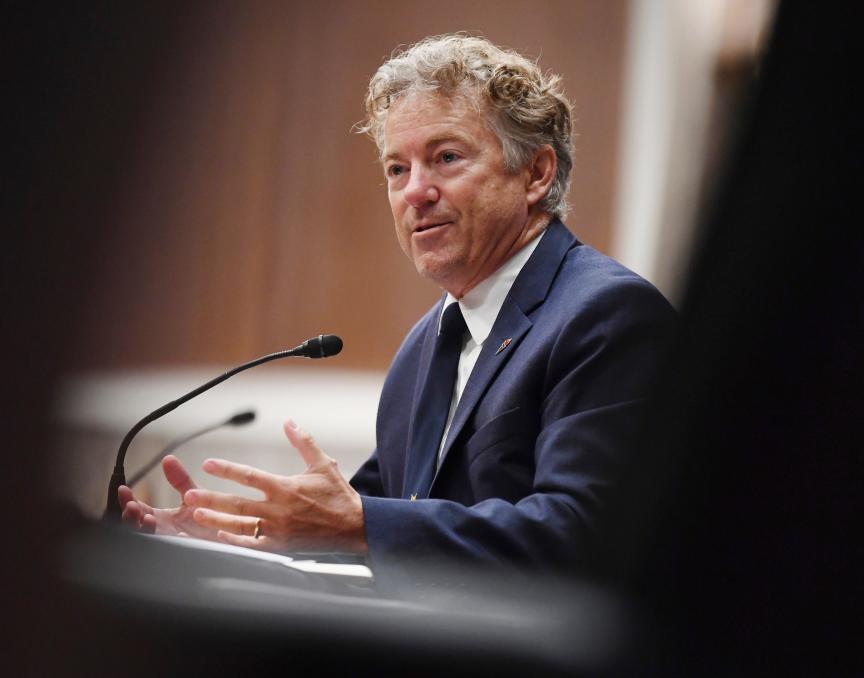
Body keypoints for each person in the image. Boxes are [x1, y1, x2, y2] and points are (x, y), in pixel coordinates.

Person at [119, 35, 675, 583]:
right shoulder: (428, 343)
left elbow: (584, 535)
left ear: (536, 174)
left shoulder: (606, 316)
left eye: (446, 158)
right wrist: (239, 538)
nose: (415, 192)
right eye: (396, 169)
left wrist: (361, 525)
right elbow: (368, 526)